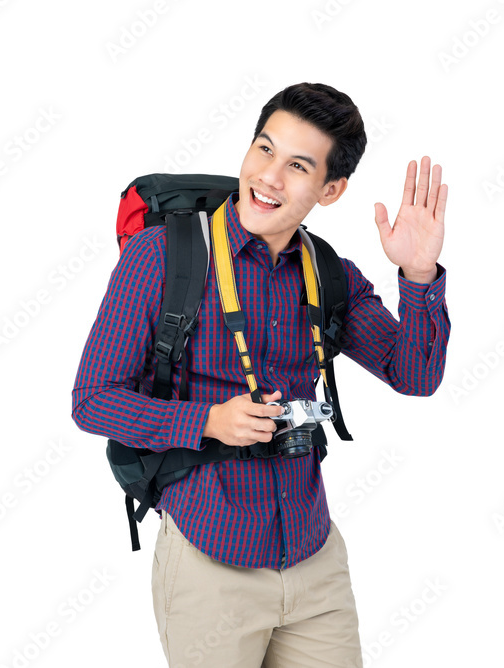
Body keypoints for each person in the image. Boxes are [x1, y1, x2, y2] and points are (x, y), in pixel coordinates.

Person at [71, 81, 451, 667]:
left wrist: (419, 275)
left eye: (298, 165)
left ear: (331, 189)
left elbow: (416, 376)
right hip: (208, 557)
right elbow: (93, 400)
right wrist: (208, 421)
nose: (269, 176)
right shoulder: (159, 257)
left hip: (313, 557)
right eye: (264, 149)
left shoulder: (329, 274)